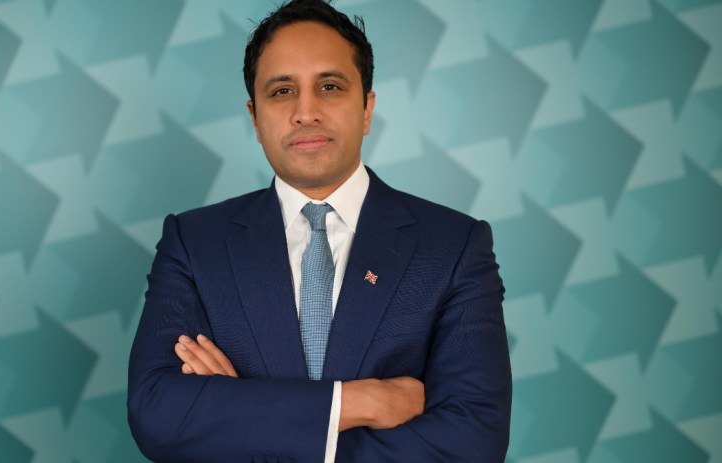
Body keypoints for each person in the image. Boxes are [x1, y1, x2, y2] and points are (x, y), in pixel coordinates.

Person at [127, 0, 511, 461]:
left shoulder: (453, 247)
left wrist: (244, 418)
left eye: (329, 86)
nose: (305, 112)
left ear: (367, 109)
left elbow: (473, 439)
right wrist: (357, 402)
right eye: (282, 91)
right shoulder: (193, 244)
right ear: (255, 117)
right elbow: (157, 412)